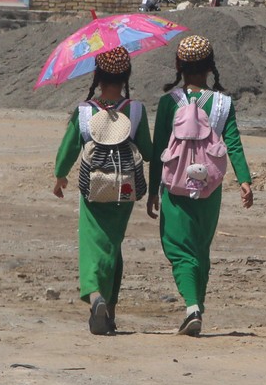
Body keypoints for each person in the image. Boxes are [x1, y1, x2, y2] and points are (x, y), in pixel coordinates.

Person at [148, 35, 254, 336]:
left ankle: (192, 306)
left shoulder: (169, 103)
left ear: (179, 66)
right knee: (200, 248)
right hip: (209, 186)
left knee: (179, 248)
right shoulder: (223, 104)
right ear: (210, 67)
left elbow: (159, 150)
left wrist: (155, 190)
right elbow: (233, 144)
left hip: (174, 187)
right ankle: (199, 307)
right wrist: (244, 180)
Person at [52, 46, 152, 335]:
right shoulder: (136, 110)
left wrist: (60, 177)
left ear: (97, 75)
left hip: (92, 187)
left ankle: (96, 296)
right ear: (126, 76)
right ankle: (110, 312)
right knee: (113, 245)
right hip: (124, 190)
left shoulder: (84, 112)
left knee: (92, 244)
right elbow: (147, 151)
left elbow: (69, 148)